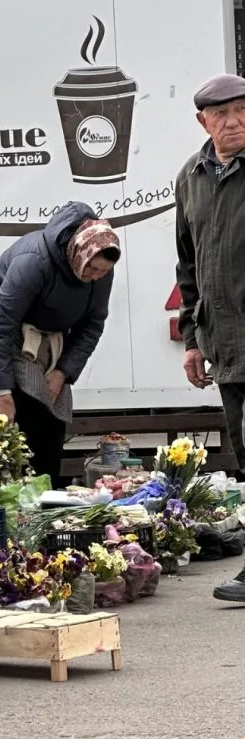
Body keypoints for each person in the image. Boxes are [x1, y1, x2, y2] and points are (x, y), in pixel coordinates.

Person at [0, 202, 121, 485]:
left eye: (102, 272)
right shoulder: (35, 260)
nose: (96, 276)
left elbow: (92, 325)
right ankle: (8, 487)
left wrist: (63, 371)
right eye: (92, 268)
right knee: (22, 403)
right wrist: (2, 394)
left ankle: (45, 487)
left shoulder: (101, 267)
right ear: (79, 252)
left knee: (53, 403)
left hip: (44, 327)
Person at [174, 73, 245, 603]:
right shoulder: (190, 179)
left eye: (242, 110)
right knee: (244, 458)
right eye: (221, 114)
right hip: (225, 348)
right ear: (203, 121)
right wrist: (194, 341)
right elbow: (188, 266)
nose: (234, 121)